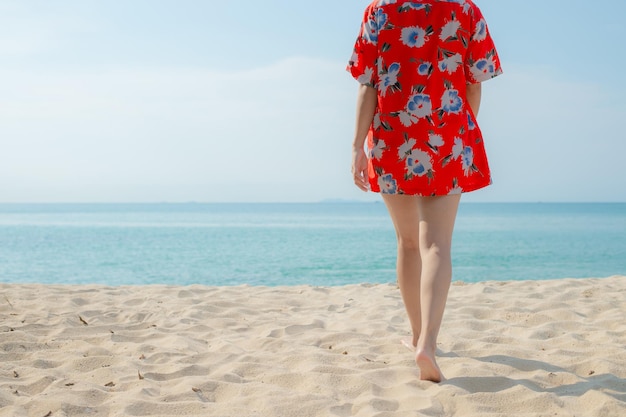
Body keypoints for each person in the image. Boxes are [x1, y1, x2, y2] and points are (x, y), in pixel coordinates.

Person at [347, 0, 502, 382]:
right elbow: (474, 83)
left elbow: (368, 84)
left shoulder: (379, 10)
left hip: (392, 137)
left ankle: (416, 333)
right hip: (447, 136)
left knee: (407, 243)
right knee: (436, 245)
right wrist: (455, 136)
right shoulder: (465, 11)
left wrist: (355, 147)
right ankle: (427, 345)